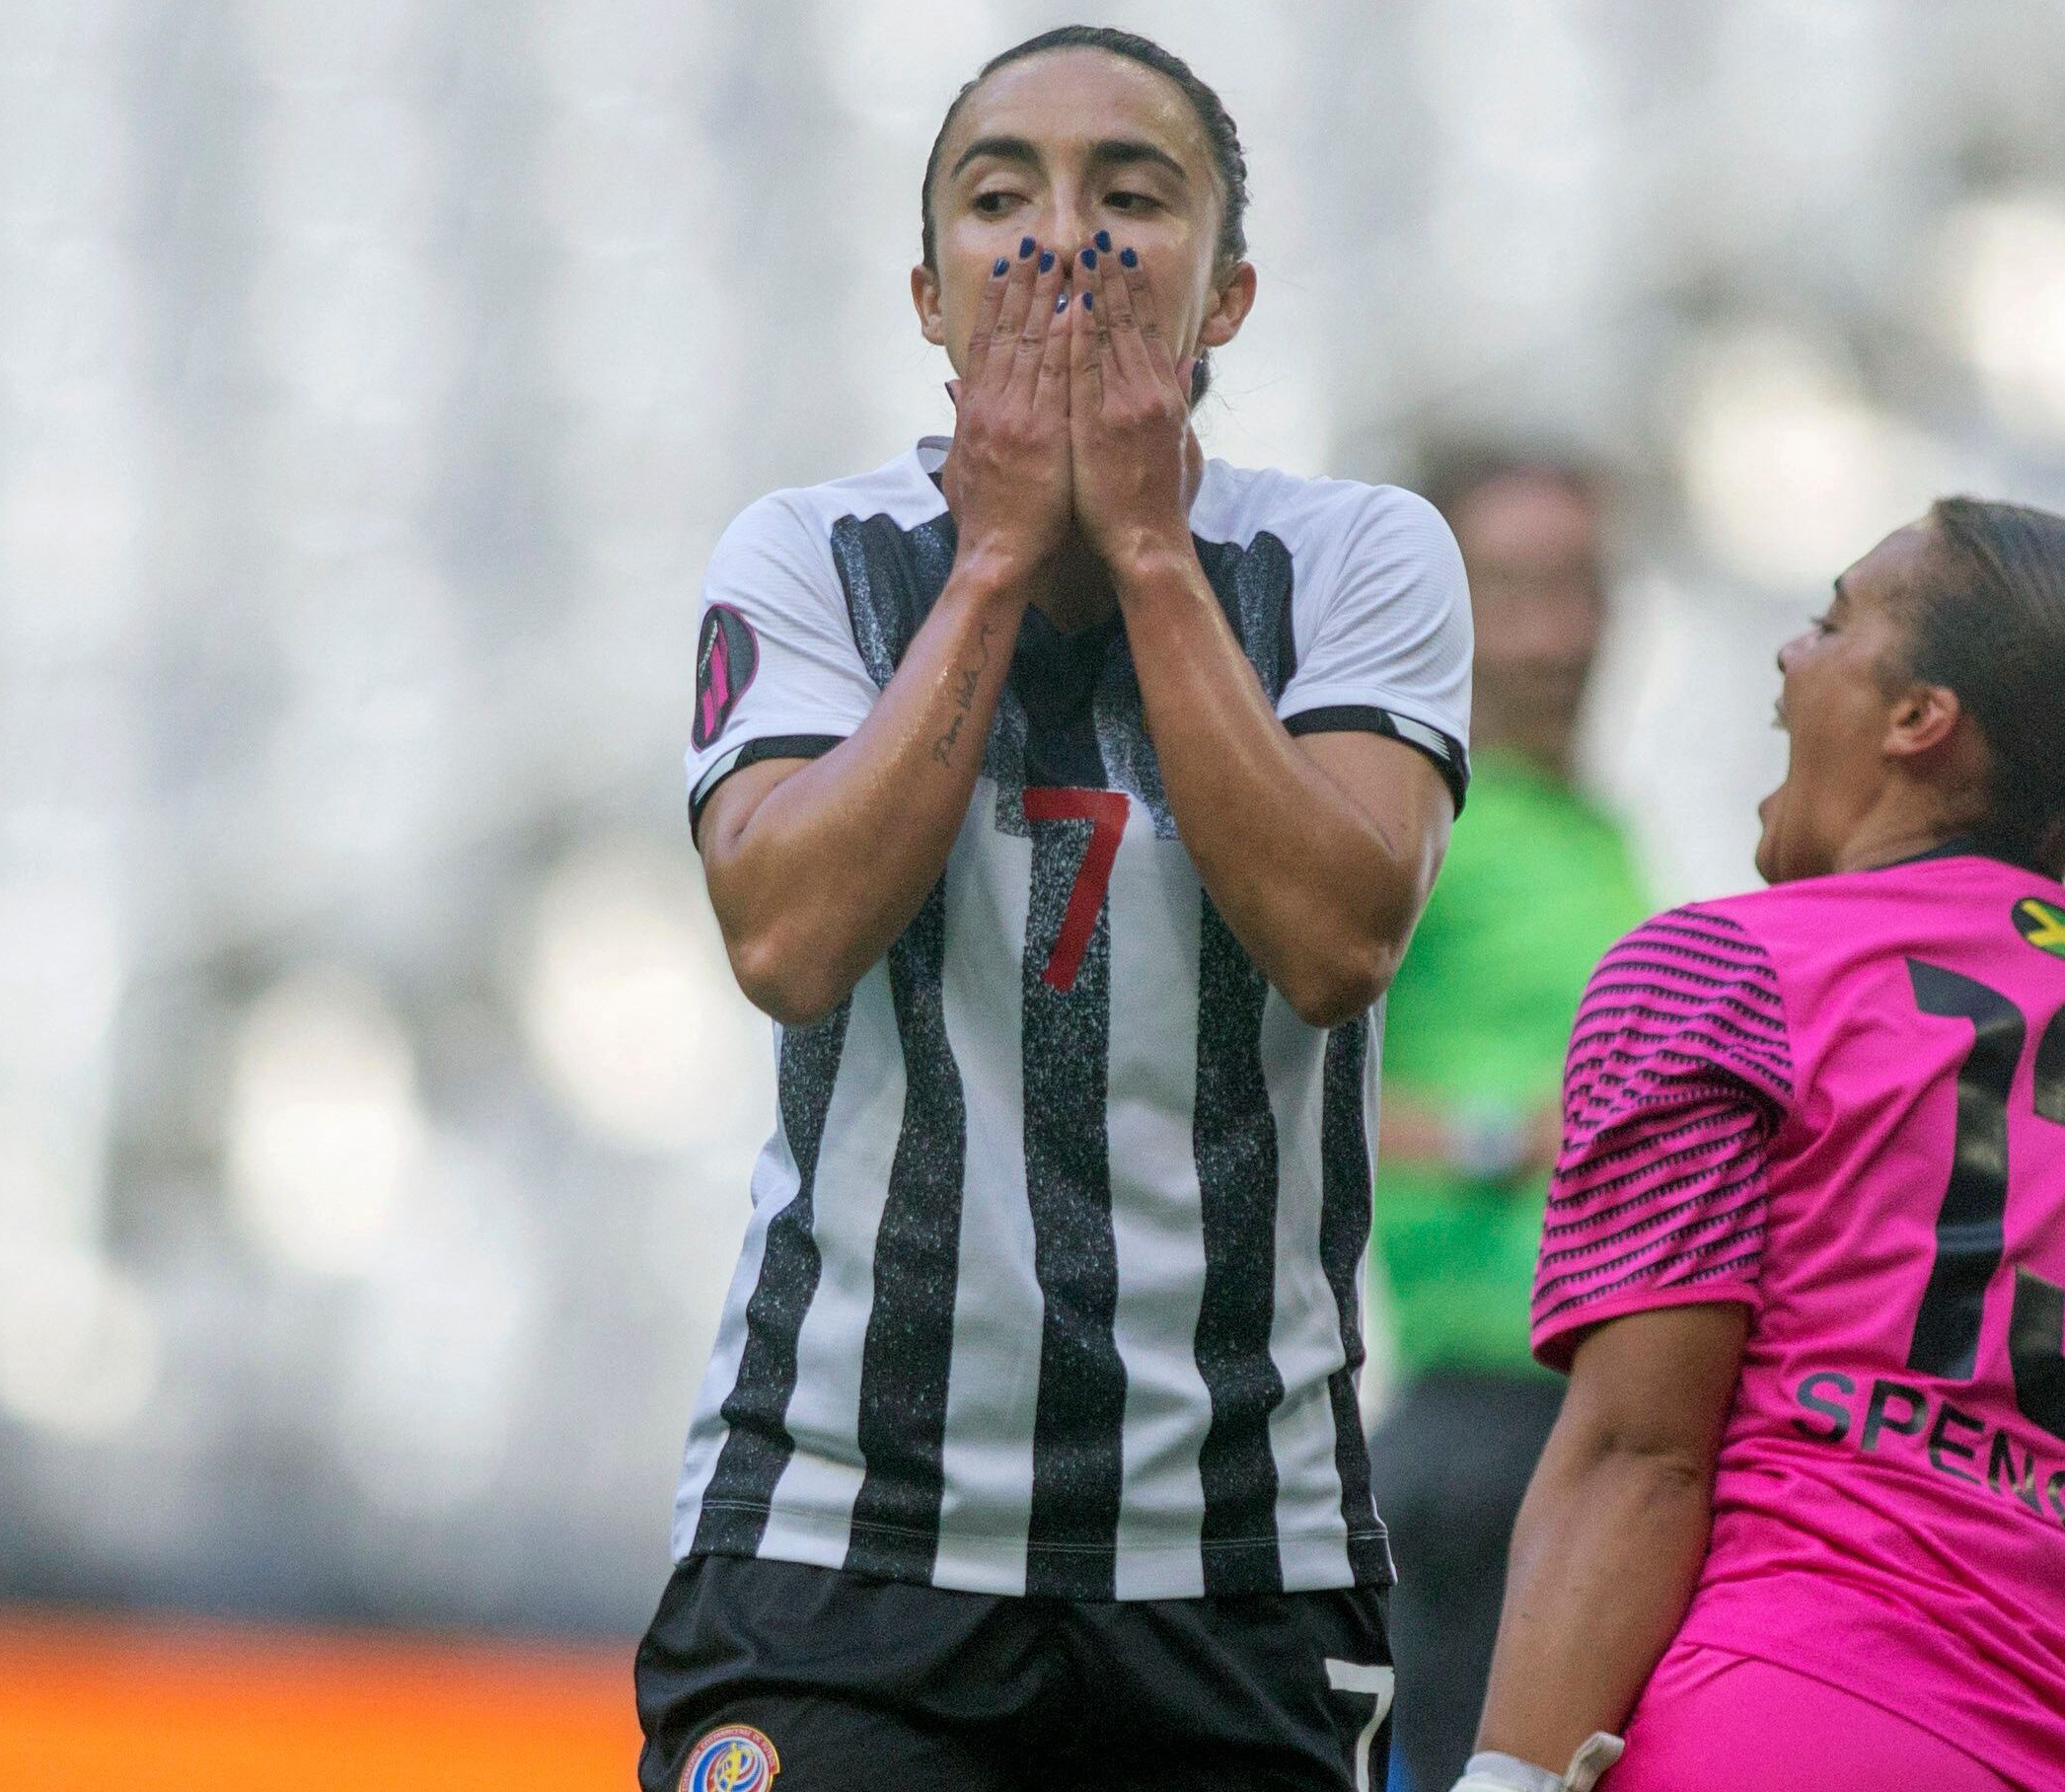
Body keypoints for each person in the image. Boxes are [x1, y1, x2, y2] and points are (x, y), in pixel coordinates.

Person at [641, 28, 1472, 1792]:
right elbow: (787, 942)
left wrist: (1150, 556)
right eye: (999, 197)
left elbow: (1337, 946)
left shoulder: (1359, 559)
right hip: (843, 1533)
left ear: (1227, 293)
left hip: (1234, 1556)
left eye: (1130, 195)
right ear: (929, 297)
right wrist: (1005, 554)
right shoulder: (805, 555)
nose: (1060, 245)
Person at [1459, 500, 2065, 1792]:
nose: (1791, 656)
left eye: (1834, 621)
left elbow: (1638, 1456)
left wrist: (1510, 1778)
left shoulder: (1723, 974)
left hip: (1790, 1732)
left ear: (1921, 720)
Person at [1366, 453, 1648, 1792]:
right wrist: (1502, 1138)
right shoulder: (1404, 816)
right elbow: (1265, 1093)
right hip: (1486, 1419)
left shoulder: (1598, 837)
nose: (1561, 632)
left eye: (1582, 588)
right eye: (1517, 590)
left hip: (1624, 1416)